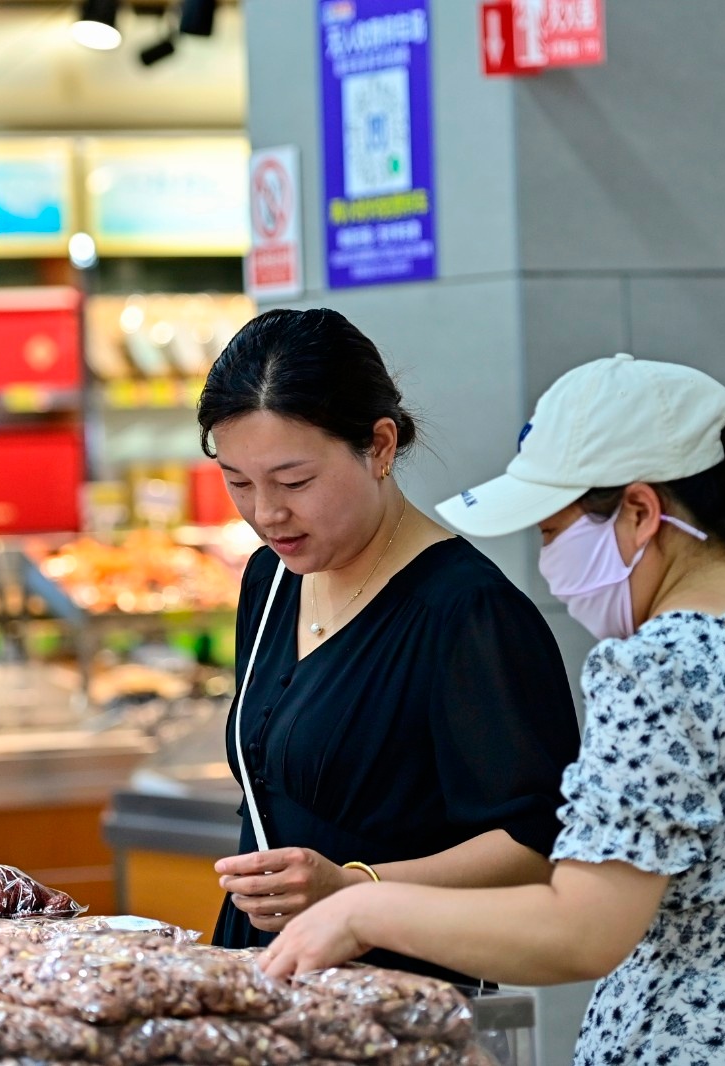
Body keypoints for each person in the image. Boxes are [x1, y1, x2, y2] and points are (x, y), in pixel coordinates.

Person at [260, 354, 725, 1064]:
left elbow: (582, 930)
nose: (547, 566)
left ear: (637, 511)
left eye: (551, 532)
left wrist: (362, 906)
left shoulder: (661, 667)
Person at [198, 308, 580, 983]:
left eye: (294, 483)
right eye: (237, 483)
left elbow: (538, 843)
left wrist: (355, 889)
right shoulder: (271, 577)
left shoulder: (466, 610)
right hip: (267, 977)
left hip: (399, 992)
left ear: (378, 447)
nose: (265, 513)